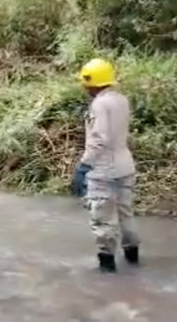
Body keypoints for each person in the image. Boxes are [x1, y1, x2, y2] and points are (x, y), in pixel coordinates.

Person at [75, 58, 139, 273]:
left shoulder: (99, 104)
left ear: (92, 83)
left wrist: (84, 167)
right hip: (125, 166)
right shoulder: (122, 100)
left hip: (103, 170)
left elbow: (98, 139)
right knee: (126, 214)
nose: (84, 87)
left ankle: (107, 269)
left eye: (85, 83)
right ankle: (133, 260)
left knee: (103, 219)